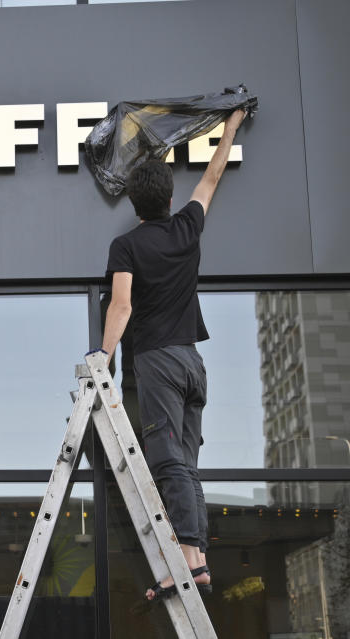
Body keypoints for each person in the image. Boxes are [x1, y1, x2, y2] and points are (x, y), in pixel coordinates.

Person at [92, 108, 247, 602]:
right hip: (193, 363)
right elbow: (214, 174)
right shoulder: (186, 229)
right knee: (186, 464)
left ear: (135, 205)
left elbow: (121, 306)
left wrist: (102, 356)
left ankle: (185, 559)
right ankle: (196, 560)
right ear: (170, 199)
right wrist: (233, 125)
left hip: (158, 361)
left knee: (168, 463)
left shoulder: (125, 246)